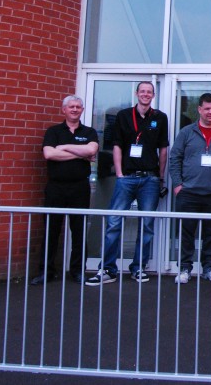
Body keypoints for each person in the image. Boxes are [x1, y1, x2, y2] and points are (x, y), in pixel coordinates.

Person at [86, 81, 169, 286]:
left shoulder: (160, 117)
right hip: (127, 177)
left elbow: (164, 149)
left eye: (149, 92)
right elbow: (117, 146)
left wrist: (160, 177)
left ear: (153, 95)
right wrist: (120, 173)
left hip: (149, 178)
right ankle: (107, 268)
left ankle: (138, 267)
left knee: (146, 225)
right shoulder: (124, 116)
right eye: (142, 91)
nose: (146, 95)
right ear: (137, 93)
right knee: (114, 222)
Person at [31, 95, 99, 285]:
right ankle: (46, 271)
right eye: (71, 107)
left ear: (82, 110)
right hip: (56, 187)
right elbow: (49, 154)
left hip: (80, 187)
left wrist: (65, 147)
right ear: (64, 109)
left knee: (79, 231)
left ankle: (77, 271)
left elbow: (91, 151)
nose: (75, 109)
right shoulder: (53, 131)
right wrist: (79, 153)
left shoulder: (89, 131)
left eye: (78, 107)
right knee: (51, 230)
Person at [169, 93, 211, 283]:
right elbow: (175, 158)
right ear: (199, 109)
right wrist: (177, 185)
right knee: (186, 233)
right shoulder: (187, 132)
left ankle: (210, 268)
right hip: (188, 193)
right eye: (206, 108)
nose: (210, 112)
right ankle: (184, 269)